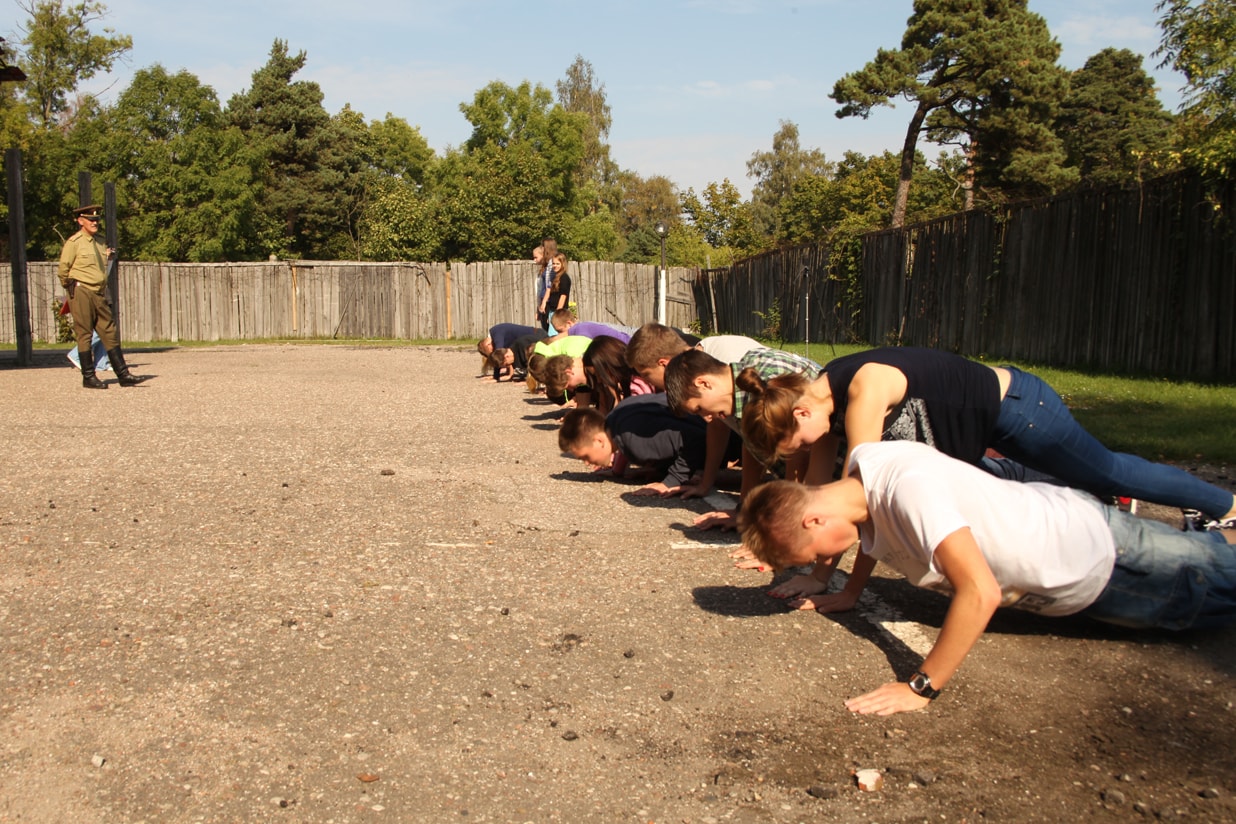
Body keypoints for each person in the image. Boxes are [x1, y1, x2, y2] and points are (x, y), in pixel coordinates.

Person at [738, 440, 1236, 717]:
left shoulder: (910, 494)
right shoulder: (860, 475)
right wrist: (849, 590)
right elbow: (871, 532)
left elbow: (981, 591)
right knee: (1208, 580)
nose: (821, 561)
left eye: (812, 555)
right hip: (1077, 568)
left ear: (814, 521)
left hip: (1103, 560)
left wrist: (920, 687)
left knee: (1209, 593)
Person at [664, 346, 823, 512]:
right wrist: (743, 509)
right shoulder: (744, 383)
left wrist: (790, 511)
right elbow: (751, 447)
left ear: (703, 383)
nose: (706, 418)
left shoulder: (769, 379)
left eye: (699, 409)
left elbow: (798, 449)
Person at [559, 395, 741, 495]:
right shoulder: (619, 415)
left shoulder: (633, 444)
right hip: (731, 425)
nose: (587, 463)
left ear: (599, 441)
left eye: (585, 457)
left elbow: (694, 440)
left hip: (734, 439)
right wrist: (658, 471)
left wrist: (671, 481)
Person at [58, 204, 147, 389]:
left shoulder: (99, 241)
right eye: (90, 220)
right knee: (85, 334)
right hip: (81, 291)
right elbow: (63, 270)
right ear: (80, 221)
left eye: (97, 220)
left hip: (99, 292)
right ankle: (89, 377)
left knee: (109, 331)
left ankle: (123, 375)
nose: (95, 222)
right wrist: (72, 289)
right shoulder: (74, 243)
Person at [625, 322, 759, 393]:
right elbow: (717, 427)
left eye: (646, 375)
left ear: (664, 364)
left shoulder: (725, 357)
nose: (647, 382)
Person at [582, 335, 654, 415]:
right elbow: (602, 418)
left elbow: (629, 420)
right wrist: (603, 396)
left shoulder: (638, 384)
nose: (598, 380)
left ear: (610, 365)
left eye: (599, 374)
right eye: (595, 376)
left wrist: (617, 398)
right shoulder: (621, 385)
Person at [538, 253, 572, 332]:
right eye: (553, 263)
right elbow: (548, 290)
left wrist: (557, 315)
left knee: (554, 335)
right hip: (552, 310)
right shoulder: (554, 277)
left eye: (557, 264)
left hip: (559, 312)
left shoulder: (564, 278)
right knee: (550, 333)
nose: (555, 266)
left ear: (563, 264)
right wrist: (543, 303)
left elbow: (563, 297)